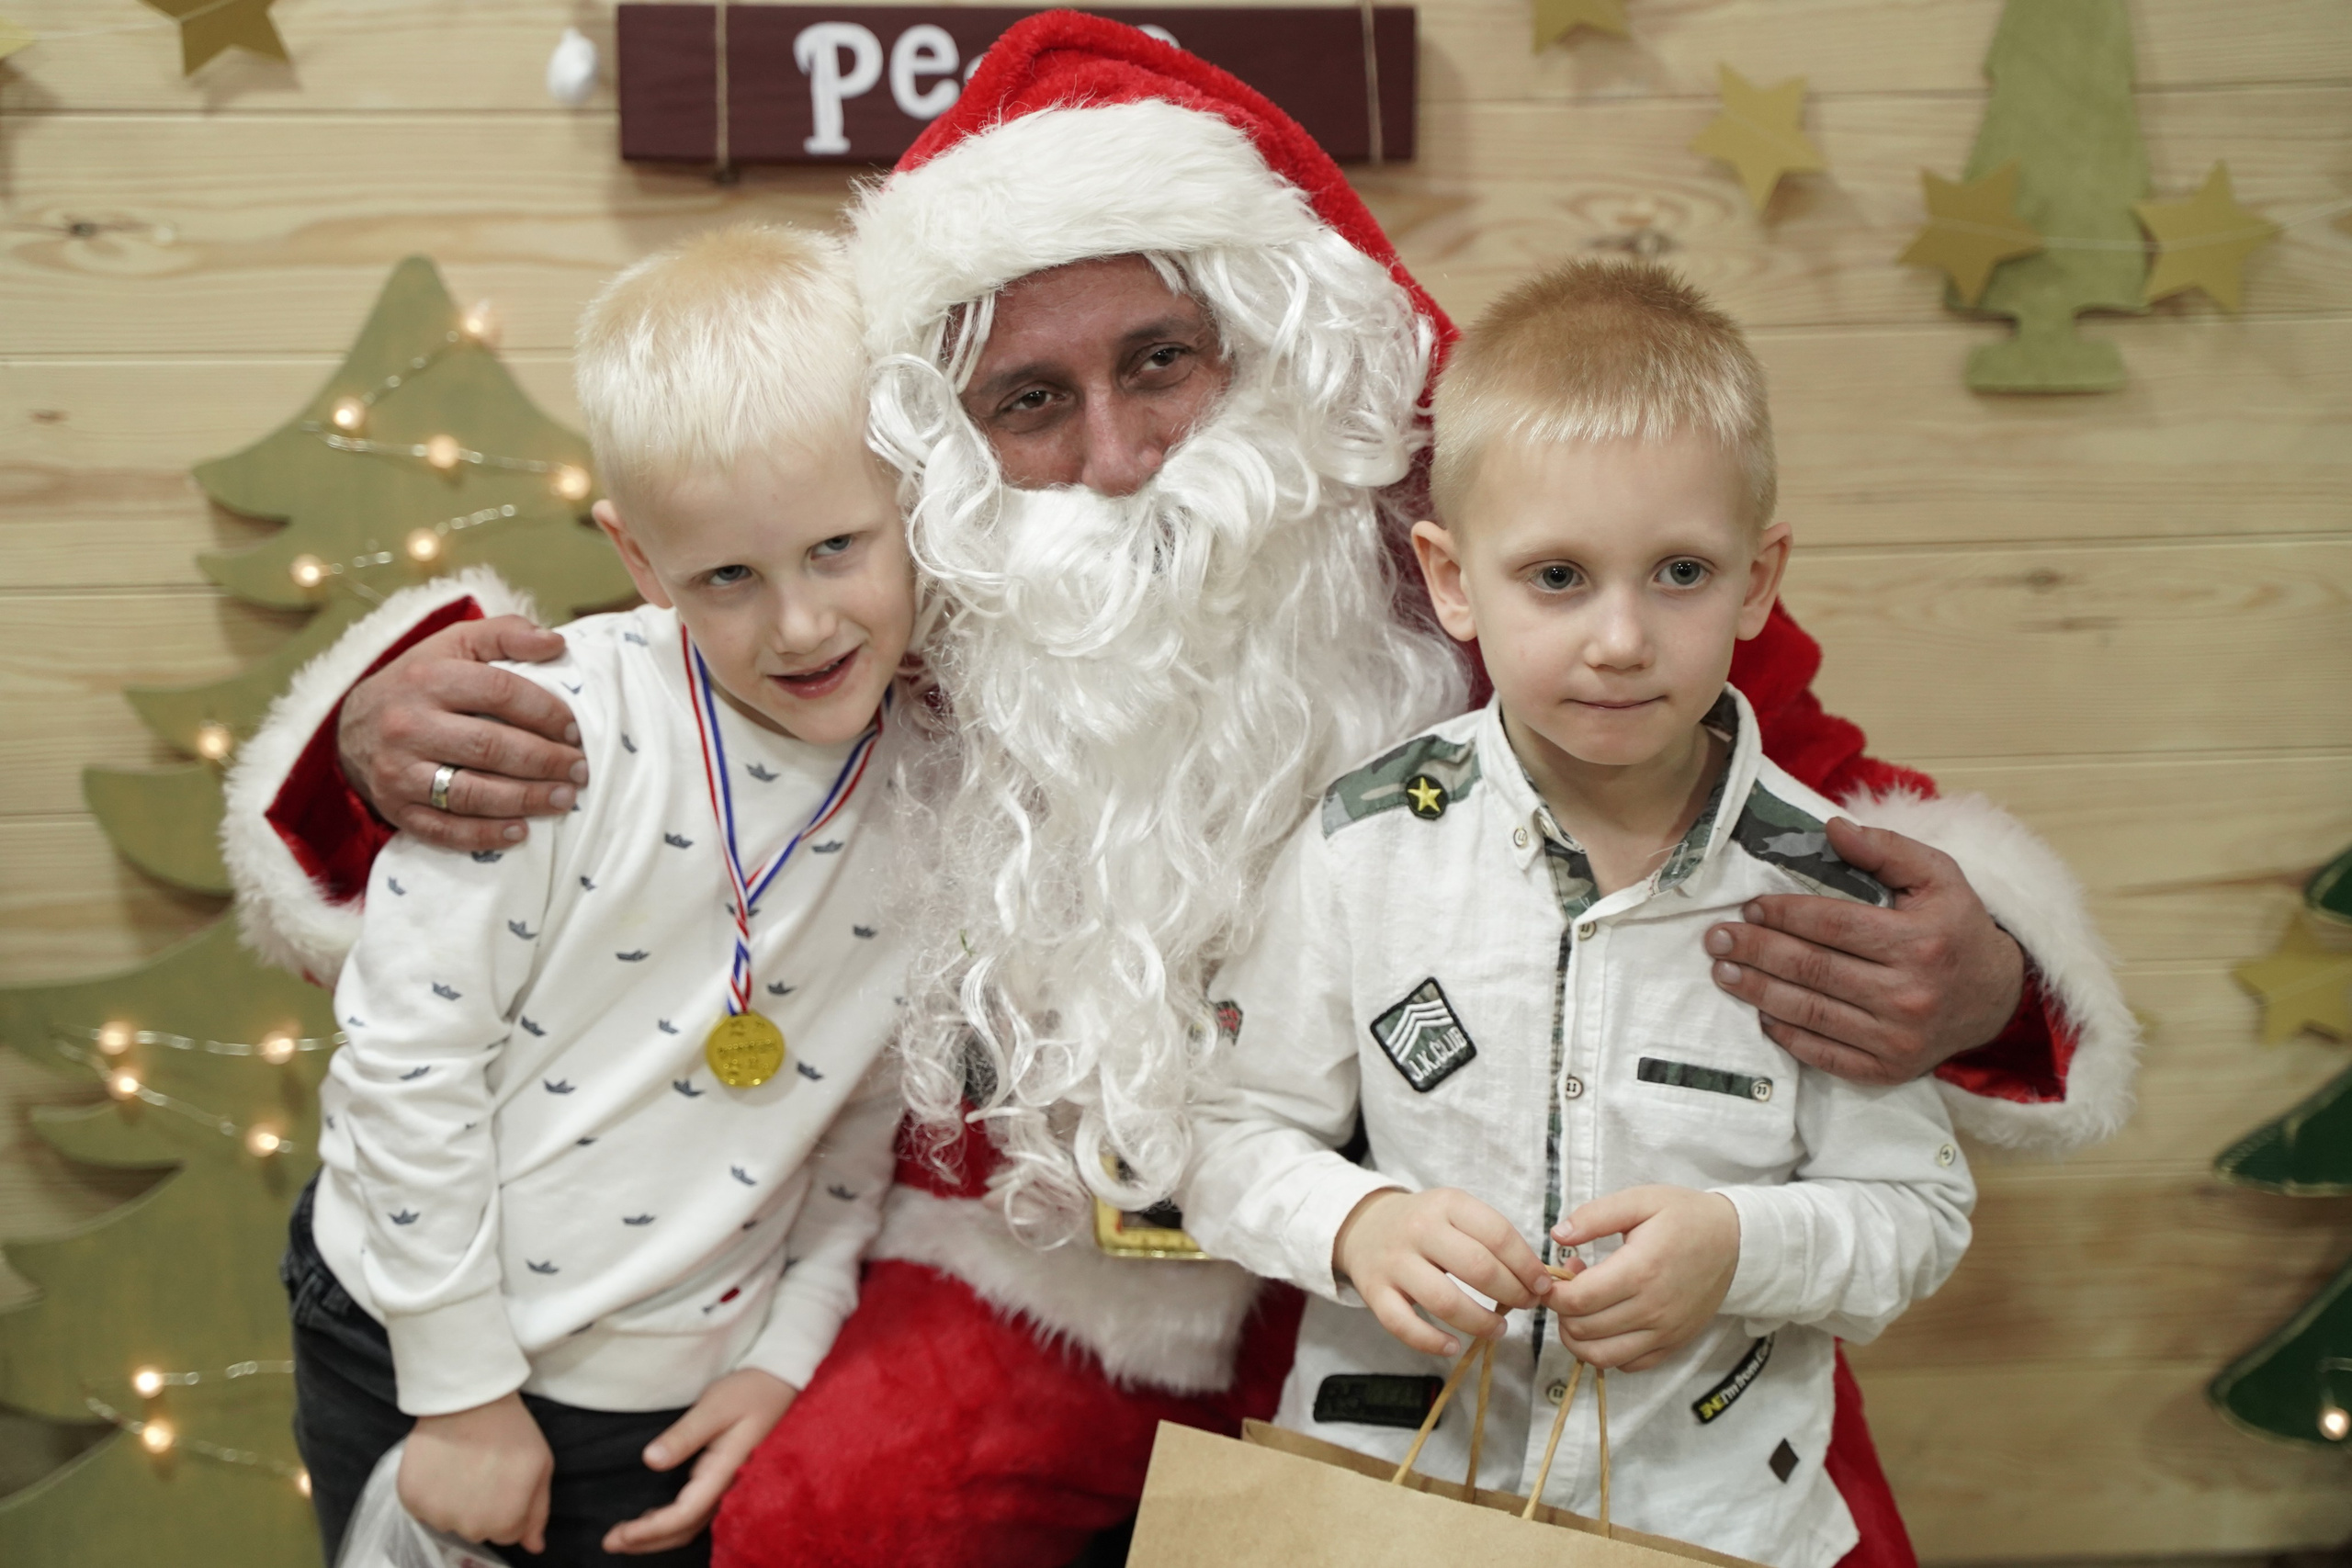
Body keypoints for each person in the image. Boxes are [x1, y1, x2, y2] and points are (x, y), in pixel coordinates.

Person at [222, 18, 2138, 1568]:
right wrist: (379, 745)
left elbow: (1860, 823)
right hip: (1033, 1272)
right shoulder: (898, 587)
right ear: (943, 441)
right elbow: (642, 710)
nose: (1118, 459)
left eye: (1162, 363)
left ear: (1274, 349)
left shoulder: (1519, 569)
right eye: (1030, 402)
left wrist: (1981, 984)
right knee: (825, 1517)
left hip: (1470, 1274)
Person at [1179, 259, 1978, 1567]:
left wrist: (1738, 1247)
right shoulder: (1360, 846)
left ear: (1759, 580)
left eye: (1678, 572)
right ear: (1450, 580)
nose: (1619, 638)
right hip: (1392, 1502)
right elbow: (1225, 1135)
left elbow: (1918, 1215)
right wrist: (1358, 1221)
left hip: (1717, 1517)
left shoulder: (1823, 888)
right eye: (1556, 576)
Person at [264, 226, 912, 1565]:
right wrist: (462, 1396)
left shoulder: (954, 779)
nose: (798, 627)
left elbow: (865, 1116)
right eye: (727, 575)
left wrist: (788, 1350)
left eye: (840, 547)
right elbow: (406, 1064)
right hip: (416, 1335)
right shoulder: (542, 733)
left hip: (678, 1386)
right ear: (636, 555)